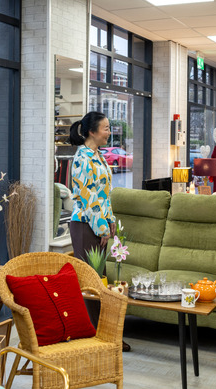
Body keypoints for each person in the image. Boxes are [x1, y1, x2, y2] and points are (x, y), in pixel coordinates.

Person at [68, 112, 129, 352]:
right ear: (92, 132)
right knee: (91, 284)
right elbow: (88, 197)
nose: (109, 131)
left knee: (100, 282)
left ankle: (104, 336)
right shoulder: (82, 158)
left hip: (98, 224)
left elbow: (104, 193)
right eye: (105, 128)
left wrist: (111, 220)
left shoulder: (98, 156)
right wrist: (102, 227)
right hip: (85, 226)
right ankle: (94, 337)